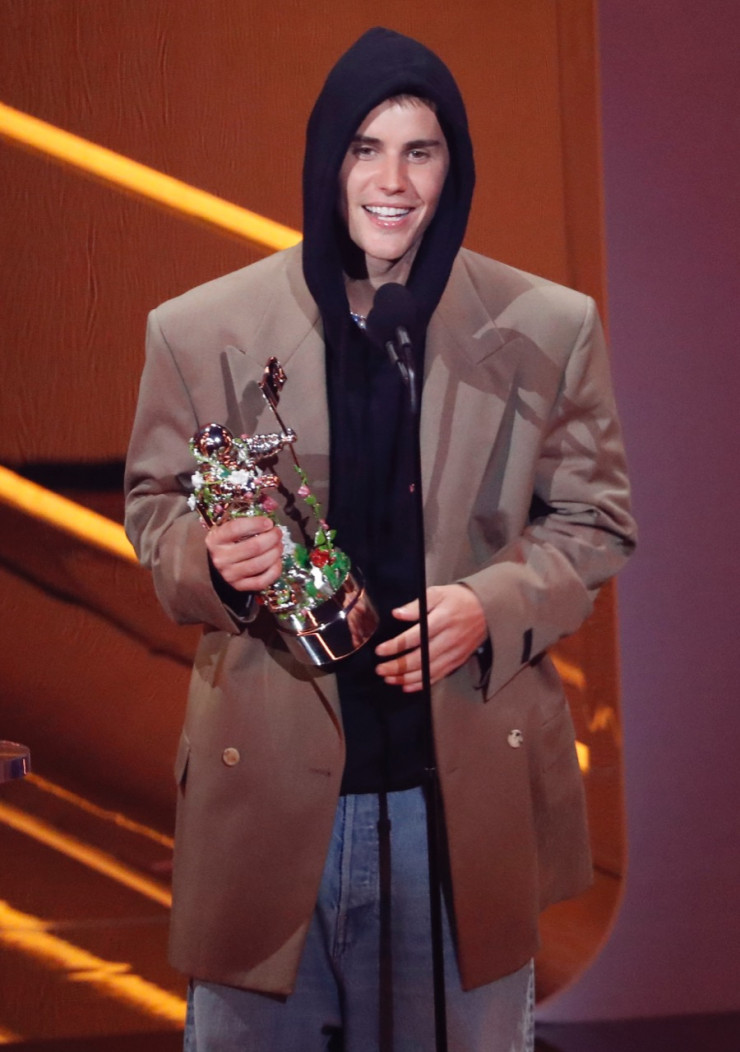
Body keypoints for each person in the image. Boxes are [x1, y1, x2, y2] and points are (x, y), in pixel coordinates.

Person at [124, 26, 636, 1052]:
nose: (391, 182)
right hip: (265, 794)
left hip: (458, 805)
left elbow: (595, 521)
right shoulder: (198, 327)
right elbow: (154, 507)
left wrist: (489, 606)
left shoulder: (548, 325)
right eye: (365, 148)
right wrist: (211, 564)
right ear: (328, 159)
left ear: (454, 167)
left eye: (419, 151)